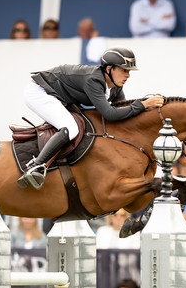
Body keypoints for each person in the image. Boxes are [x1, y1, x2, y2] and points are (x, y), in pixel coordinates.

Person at [15, 47, 163, 189]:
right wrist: (143, 105)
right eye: (124, 70)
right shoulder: (94, 80)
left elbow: (121, 114)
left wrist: (146, 110)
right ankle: (36, 167)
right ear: (109, 69)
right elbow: (110, 114)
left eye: (129, 71)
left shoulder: (115, 87)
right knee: (70, 128)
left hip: (58, 95)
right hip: (39, 92)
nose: (128, 75)